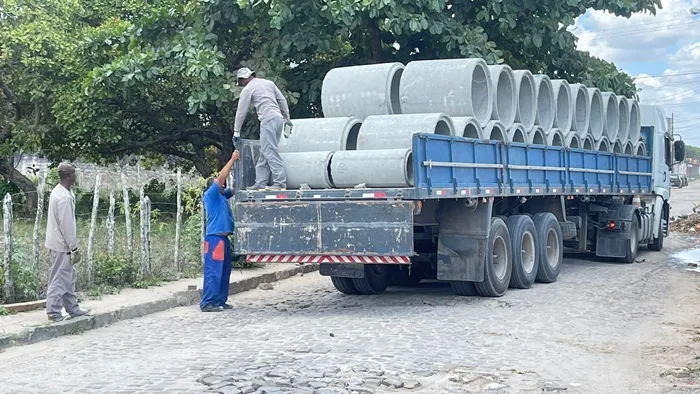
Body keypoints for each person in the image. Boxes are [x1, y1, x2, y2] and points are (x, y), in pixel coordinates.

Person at [233, 67, 291, 191]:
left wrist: (236, 131)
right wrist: (287, 118)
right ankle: (260, 183)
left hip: (268, 120)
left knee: (269, 151)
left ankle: (280, 183)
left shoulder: (248, 89)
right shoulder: (268, 83)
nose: (242, 85)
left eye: (241, 82)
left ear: (243, 79)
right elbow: (282, 100)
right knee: (265, 151)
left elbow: (241, 112)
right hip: (278, 120)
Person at [45, 163, 90, 322]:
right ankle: (54, 312)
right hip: (62, 244)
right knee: (59, 278)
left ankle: (73, 309)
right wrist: (74, 247)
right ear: (69, 175)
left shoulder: (58, 191)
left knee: (67, 277)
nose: (75, 176)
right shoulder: (63, 197)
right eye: (74, 174)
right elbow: (67, 225)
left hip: (55, 241)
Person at [200, 150, 240, 312]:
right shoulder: (211, 196)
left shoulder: (223, 196)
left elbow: (236, 188)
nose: (222, 184)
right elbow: (222, 177)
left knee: (224, 272)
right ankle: (207, 303)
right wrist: (231, 159)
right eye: (218, 183)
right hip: (214, 239)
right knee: (213, 272)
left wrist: (239, 167)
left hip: (223, 240)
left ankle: (219, 301)